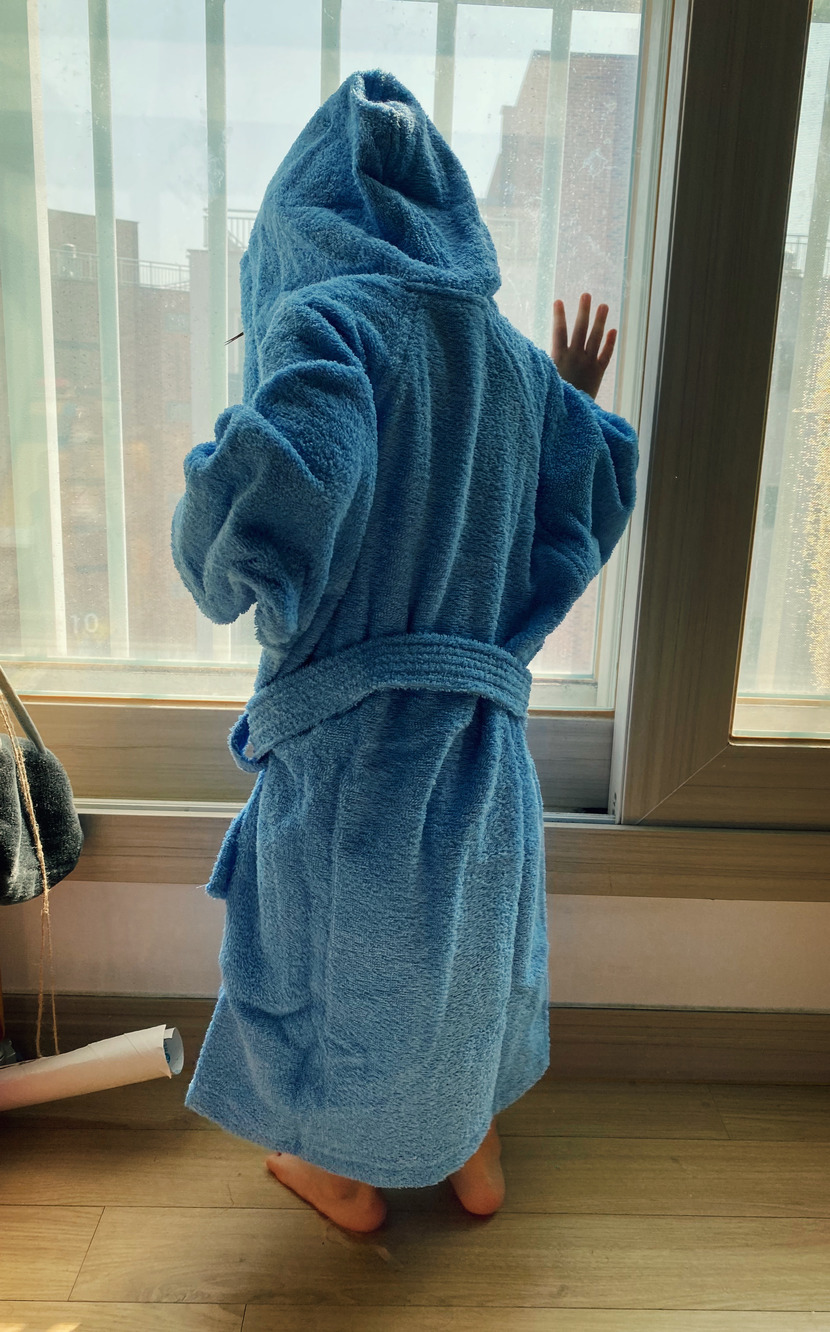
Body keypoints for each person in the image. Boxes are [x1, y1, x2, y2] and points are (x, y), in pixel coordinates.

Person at [171, 69, 637, 1234]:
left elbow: (265, 514)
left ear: (297, 222)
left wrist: (226, 473)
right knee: (461, 958)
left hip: (358, 759)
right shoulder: (507, 360)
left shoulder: (324, 325)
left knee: (332, 979)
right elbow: (575, 513)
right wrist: (567, 399)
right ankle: (471, 1147)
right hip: (483, 750)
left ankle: (337, 1169)